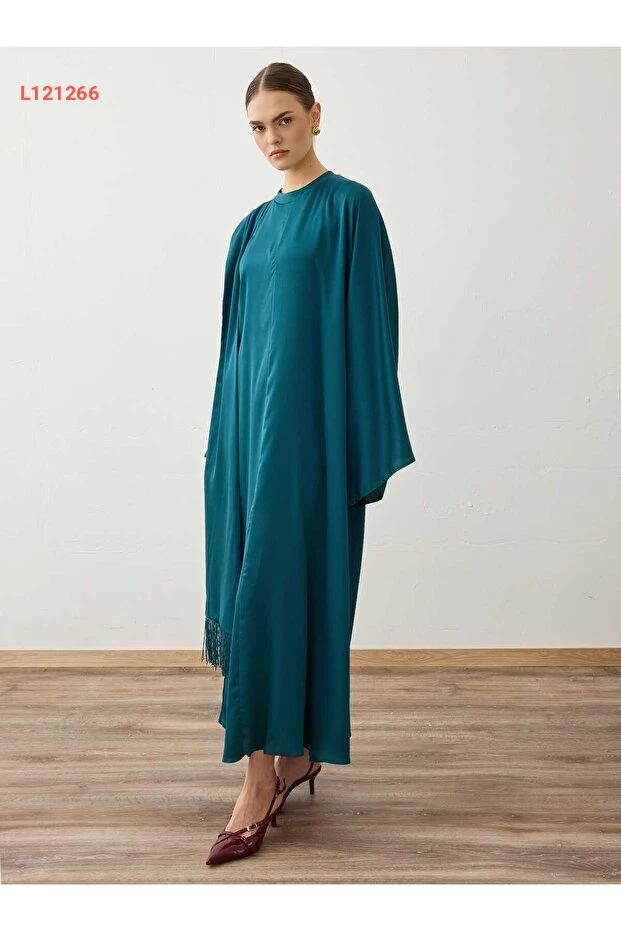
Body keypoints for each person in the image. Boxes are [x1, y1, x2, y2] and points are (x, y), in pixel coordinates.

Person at [203, 62, 416, 866]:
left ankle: (258, 780)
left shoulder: (349, 208)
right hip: (245, 438)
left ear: (316, 115)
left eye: (284, 120)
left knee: (278, 592)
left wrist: (352, 444)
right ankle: (290, 758)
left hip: (306, 441)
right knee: (249, 588)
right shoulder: (250, 229)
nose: (272, 138)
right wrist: (224, 445)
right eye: (258, 127)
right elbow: (235, 349)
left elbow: (373, 329)